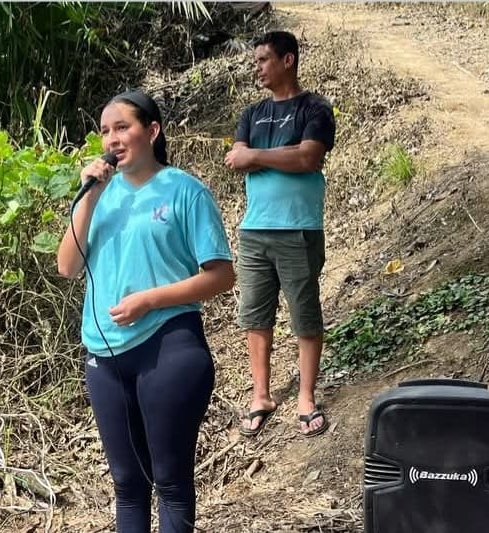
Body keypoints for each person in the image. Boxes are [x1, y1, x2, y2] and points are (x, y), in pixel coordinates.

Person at [57, 90, 235, 533]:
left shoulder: (185, 190)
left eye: (122, 127)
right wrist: (89, 197)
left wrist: (150, 300)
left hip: (168, 346)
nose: (111, 139)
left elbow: (221, 276)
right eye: (105, 131)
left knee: (170, 481)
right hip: (104, 357)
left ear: (152, 131)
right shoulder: (99, 195)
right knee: (127, 484)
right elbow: (67, 267)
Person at [224, 31, 336, 438]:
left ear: (288, 60)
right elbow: (236, 160)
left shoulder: (315, 108)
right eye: (255, 60)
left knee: (304, 313)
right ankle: (261, 396)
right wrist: (275, 155)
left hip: (299, 229)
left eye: (263, 60)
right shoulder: (252, 113)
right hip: (254, 230)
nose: (256, 68)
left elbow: (309, 157)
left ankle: (306, 397)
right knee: (255, 316)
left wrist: (257, 155)